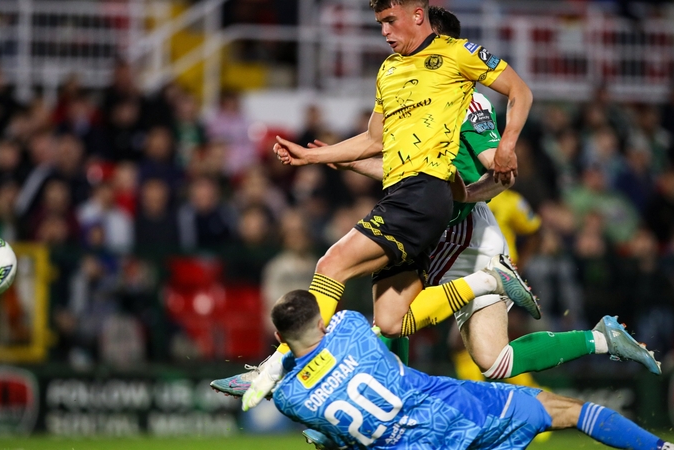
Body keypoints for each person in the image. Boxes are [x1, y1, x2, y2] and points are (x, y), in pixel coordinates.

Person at [212, 0, 539, 408]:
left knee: (331, 264)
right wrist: (314, 155)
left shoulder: (457, 53)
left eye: (389, 21)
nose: (384, 31)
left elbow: (520, 91)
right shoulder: (388, 70)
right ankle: (488, 282)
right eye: (379, 23)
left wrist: (507, 145)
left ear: (417, 15)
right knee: (390, 321)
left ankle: (275, 369)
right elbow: (373, 140)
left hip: (423, 194)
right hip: (404, 193)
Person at [319, 6, 660, 385]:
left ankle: (498, 288)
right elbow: (407, 172)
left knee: (412, 325)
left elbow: (501, 175)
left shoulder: (468, 104)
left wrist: (462, 196)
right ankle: (602, 339)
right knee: (477, 355)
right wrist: (350, 162)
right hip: (434, 225)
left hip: (465, 234)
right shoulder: (411, 98)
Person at [270, 290, 674, 450]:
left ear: (278, 336)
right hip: (453, 414)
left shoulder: (290, 399)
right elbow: (388, 321)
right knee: (562, 409)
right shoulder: (350, 327)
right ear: (322, 322)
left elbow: (306, 378)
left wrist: (273, 372)